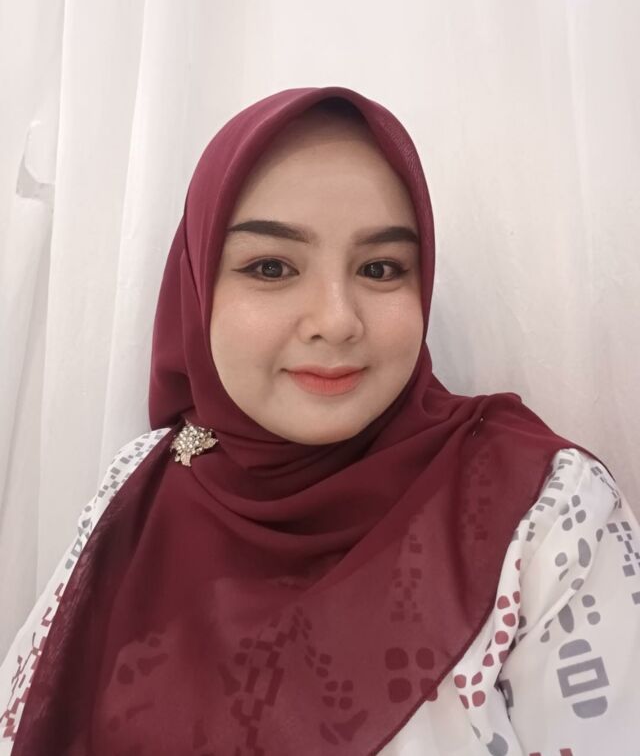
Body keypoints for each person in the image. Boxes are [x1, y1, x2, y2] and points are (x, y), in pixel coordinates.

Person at [1, 86, 639, 755]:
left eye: (380, 268)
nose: (336, 320)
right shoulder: (140, 482)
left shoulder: (548, 514)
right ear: (197, 286)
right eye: (272, 267)